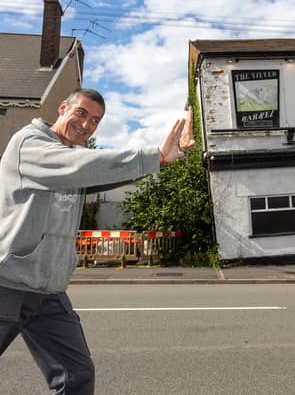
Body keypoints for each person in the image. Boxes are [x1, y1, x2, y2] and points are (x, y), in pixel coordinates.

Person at [0, 87, 195, 394]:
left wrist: (161, 162)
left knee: (77, 376)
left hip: (49, 294)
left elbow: (95, 173)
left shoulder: (73, 159)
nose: (87, 125)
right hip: (8, 285)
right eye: (81, 113)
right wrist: (152, 155)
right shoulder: (29, 143)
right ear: (63, 108)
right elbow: (80, 168)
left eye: (95, 121)